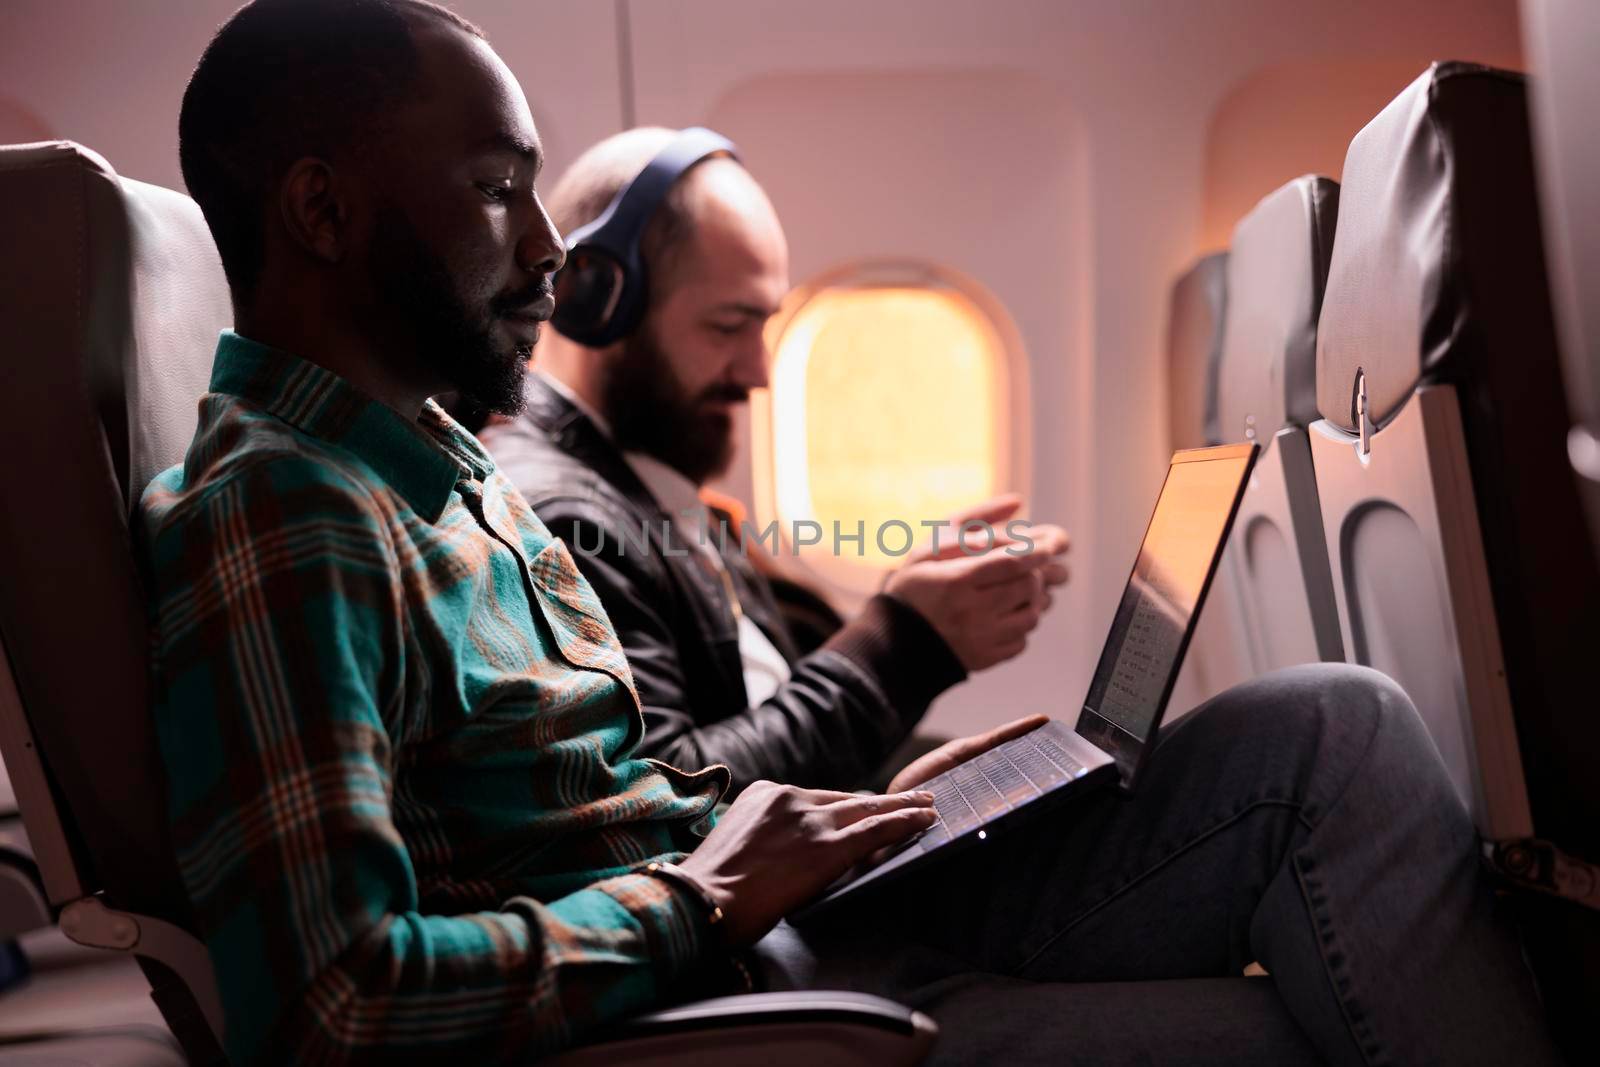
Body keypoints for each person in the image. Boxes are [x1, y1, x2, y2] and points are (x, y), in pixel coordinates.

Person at [139, 1, 1561, 1063]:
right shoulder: (288, 511)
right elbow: (331, 1002)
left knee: (1334, 728)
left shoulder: (436, 458)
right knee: (1322, 1007)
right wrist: (706, 894)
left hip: (788, 917)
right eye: (497, 187)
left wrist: (889, 807)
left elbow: (614, 799)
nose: (546, 257)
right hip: (726, 999)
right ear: (321, 208)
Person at [478, 127, 1071, 792]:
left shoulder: (647, 484)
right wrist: (906, 643)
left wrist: (916, 603)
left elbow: (770, 707)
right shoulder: (563, 515)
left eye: (766, 325)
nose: (759, 372)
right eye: (728, 326)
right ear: (594, 304)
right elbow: (668, 791)